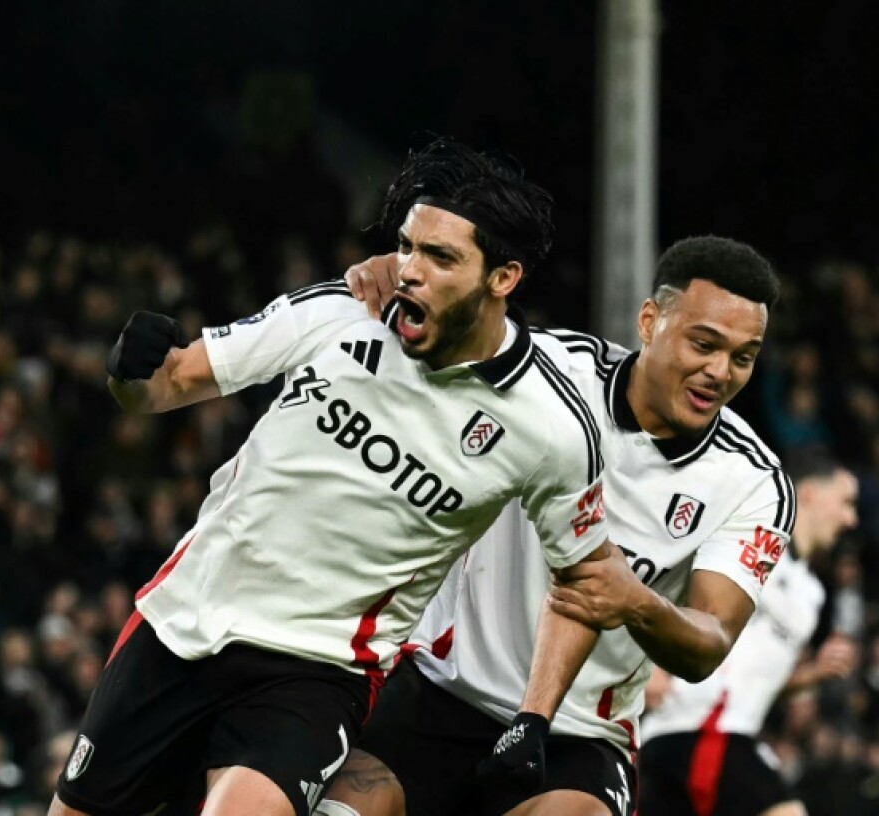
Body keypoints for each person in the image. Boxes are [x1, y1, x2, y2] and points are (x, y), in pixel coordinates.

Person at [48, 137, 614, 816]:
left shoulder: (549, 427)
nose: (410, 271)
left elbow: (585, 575)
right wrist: (129, 371)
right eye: (407, 246)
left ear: (504, 278)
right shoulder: (340, 315)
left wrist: (536, 714)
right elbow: (169, 383)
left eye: (441, 258)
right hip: (181, 622)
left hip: (315, 668)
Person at [323, 235, 792, 816]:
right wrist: (397, 280)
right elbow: (437, 327)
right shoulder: (545, 368)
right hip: (442, 687)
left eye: (743, 357)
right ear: (649, 321)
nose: (719, 372)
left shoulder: (753, 483)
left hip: (579, 738)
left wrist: (637, 604)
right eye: (704, 344)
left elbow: (709, 644)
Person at [639, 451, 859, 816]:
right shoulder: (746, 544)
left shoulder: (812, 595)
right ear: (809, 494)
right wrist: (648, 667)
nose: (852, 519)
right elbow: (662, 586)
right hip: (694, 730)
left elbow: (757, 681)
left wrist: (812, 675)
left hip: (725, 735)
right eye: (846, 503)